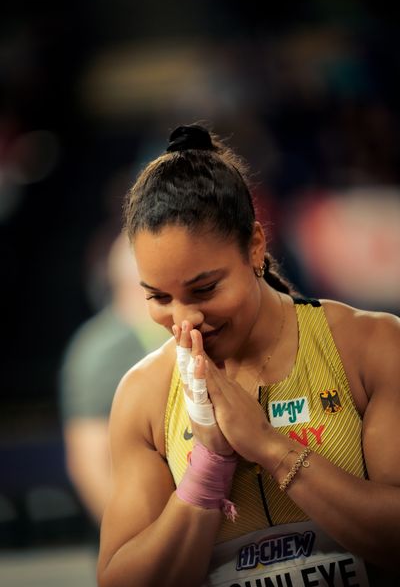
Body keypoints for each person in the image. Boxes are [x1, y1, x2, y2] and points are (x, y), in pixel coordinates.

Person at [97, 124, 400, 587]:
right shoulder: (143, 396)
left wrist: (272, 449)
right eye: (158, 297)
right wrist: (208, 470)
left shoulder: (371, 346)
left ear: (255, 247)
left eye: (204, 289)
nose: (185, 320)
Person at [59, 230, 166, 524]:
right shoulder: (102, 349)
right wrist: (133, 540)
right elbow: (88, 462)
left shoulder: (165, 330)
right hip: (141, 533)